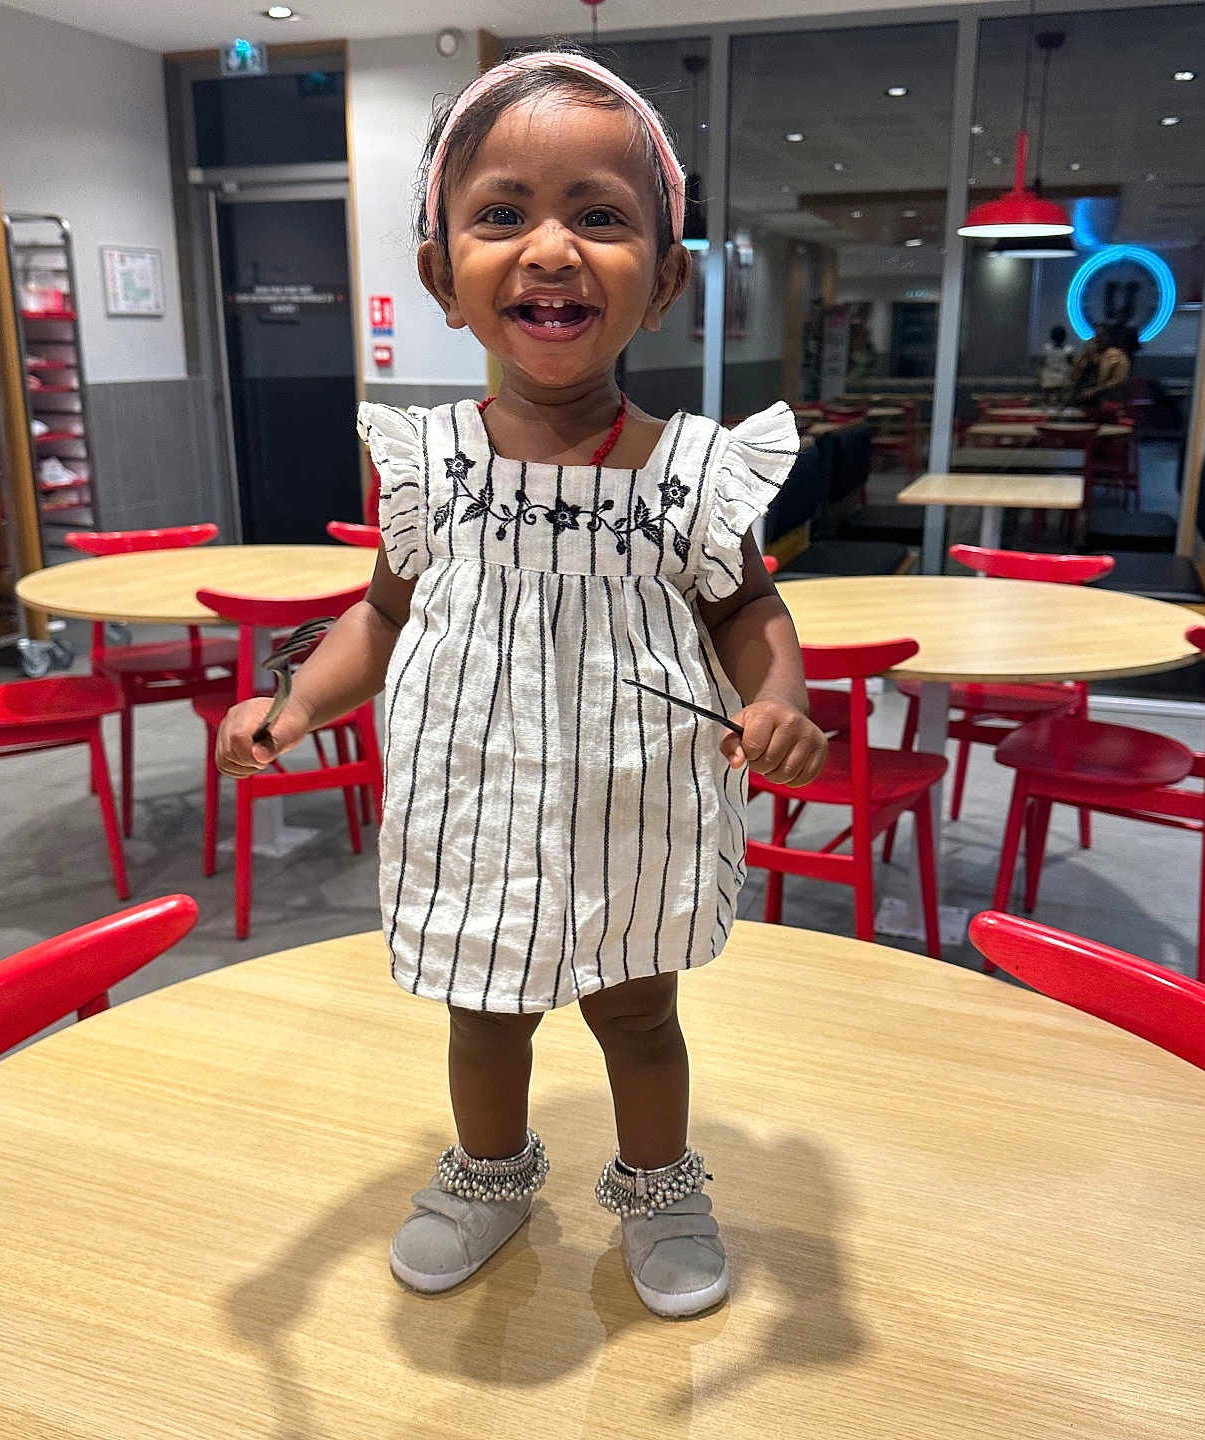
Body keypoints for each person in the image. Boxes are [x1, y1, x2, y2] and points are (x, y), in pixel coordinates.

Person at [214, 48, 826, 1319]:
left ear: (661, 280)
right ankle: (489, 1172)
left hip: (635, 804)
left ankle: (659, 1185)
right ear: (444, 275)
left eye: (599, 216)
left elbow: (750, 610)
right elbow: (382, 618)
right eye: (502, 214)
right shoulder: (426, 465)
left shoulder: (693, 475)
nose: (550, 248)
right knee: (483, 1015)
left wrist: (780, 699)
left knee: (639, 1013)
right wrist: (293, 707)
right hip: (472, 799)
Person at [1038, 323, 1075, 399]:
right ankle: (1058, 405)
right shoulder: (1068, 350)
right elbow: (1071, 363)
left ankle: (1046, 405)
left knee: (1048, 393)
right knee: (1059, 393)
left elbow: (1042, 362)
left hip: (1054, 374)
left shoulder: (1047, 348)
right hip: (1058, 374)